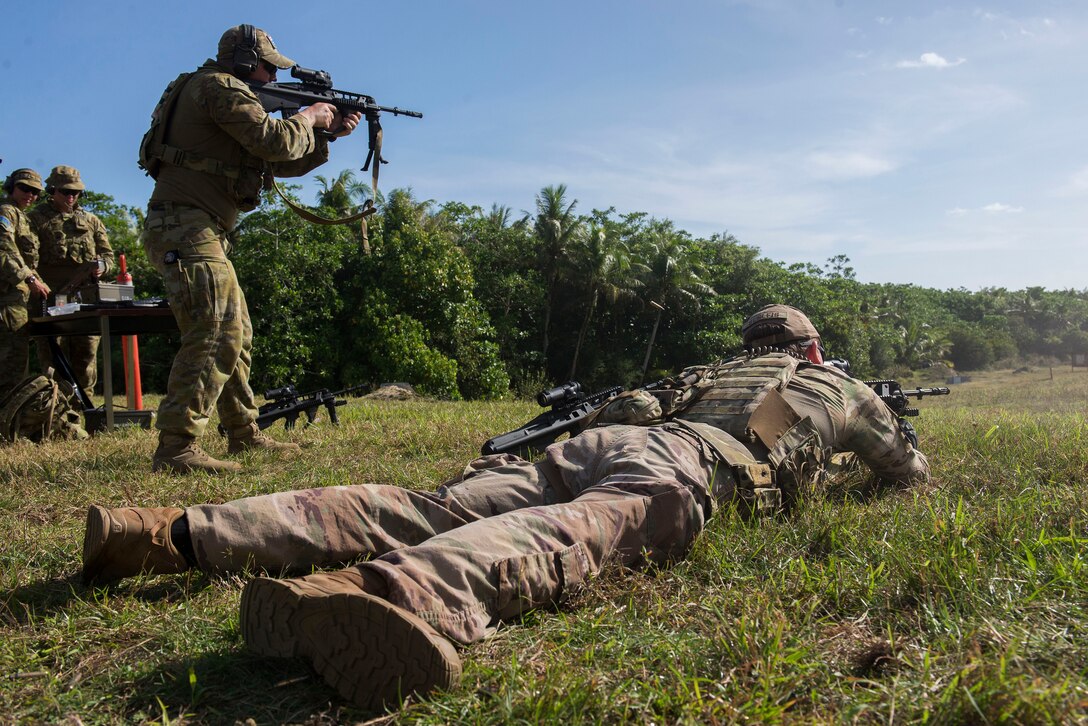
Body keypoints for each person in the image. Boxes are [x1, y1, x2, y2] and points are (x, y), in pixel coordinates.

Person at [81, 304, 929, 711]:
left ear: (752, 347)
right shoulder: (840, 385)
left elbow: (627, 409)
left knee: (420, 505)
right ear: (811, 348)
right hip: (687, 467)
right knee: (576, 536)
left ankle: (169, 534)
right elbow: (907, 474)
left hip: (591, 449)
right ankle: (382, 598)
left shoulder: (706, 374)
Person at [139, 25, 362, 473]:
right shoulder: (217, 87)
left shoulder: (213, 89)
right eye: (266, 67)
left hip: (198, 227)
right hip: (187, 225)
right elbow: (273, 140)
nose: (270, 78)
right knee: (216, 331)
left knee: (236, 330)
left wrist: (327, 135)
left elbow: (278, 160)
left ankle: (243, 433)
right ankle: (176, 446)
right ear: (243, 61)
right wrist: (311, 118)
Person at [28, 166, 114, 396]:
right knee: (51, 357)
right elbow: (26, 258)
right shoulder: (35, 218)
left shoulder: (91, 221)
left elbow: (108, 255)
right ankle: (55, 413)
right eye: (66, 191)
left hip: (84, 299)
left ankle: (83, 409)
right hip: (51, 297)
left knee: (86, 354)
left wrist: (101, 267)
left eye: (76, 192)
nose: (71, 197)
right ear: (52, 190)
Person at [0, 169, 50, 399]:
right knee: (10, 364)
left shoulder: (22, 217)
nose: (30, 194)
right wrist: (30, 279)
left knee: (18, 362)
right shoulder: (5, 212)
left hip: (19, 300)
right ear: (11, 187)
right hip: (7, 300)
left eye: (35, 191)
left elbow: (26, 259)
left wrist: (39, 282)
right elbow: (5, 251)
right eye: (24, 188)